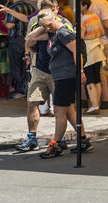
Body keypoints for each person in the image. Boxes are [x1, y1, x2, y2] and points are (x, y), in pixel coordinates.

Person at [36, 9, 94, 158]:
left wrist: (80, 71)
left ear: (55, 18)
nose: (47, 28)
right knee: (68, 111)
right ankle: (83, 140)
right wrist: (43, 27)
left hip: (66, 76)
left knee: (59, 112)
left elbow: (76, 51)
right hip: (61, 76)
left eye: (49, 25)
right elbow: (30, 39)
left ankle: (55, 144)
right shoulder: (53, 33)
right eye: (44, 26)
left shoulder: (63, 33)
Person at [15, 0, 62, 152]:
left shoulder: (63, 22)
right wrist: (28, 55)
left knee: (63, 108)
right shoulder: (36, 21)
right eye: (44, 12)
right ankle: (32, 137)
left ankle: (61, 139)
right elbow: (28, 39)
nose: (47, 14)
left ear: (56, 10)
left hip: (58, 70)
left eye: (50, 10)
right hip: (40, 68)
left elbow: (69, 42)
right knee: (32, 102)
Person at [0, 0, 35, 98]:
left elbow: (10, 25)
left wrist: (4, 21)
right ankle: (27, 88)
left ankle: (21, 90)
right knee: (26, 65)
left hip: (16, 39)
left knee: (16, 66)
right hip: (29, 39)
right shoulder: (31, 7)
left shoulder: (13, 8)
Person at [79, 1, 105, 113]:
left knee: (89, 79)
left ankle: (94, 106)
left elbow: (81, 36)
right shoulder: (95, 16)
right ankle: (96, 104)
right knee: (97, 78)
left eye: (80, 5)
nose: (79, 7)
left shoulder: (84, 19)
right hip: (98, 48)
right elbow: (102, 32)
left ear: (85, 5)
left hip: (88, 49)